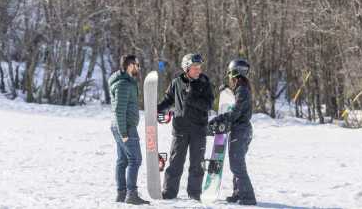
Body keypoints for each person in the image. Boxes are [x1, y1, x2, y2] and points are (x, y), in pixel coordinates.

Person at [157, 53, 214, 201]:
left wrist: (192, 97)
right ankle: (169, 192)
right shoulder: (176, 82)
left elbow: (208, 105)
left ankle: (194, 194)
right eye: (195, 67)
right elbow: (168, 100)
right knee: (175, 163)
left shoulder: (205, 82)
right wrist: (157, 109)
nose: (198, 70)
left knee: (197, 164)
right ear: (186, 68)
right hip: (180, 129)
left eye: (199, 67)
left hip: (198, 130)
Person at [208, 59, 257, 205]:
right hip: (240, 130)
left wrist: (219, 119)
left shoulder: (242, 90)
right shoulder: (241, 88)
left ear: (235, 73)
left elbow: (235, 113)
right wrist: (228, 91)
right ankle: (238, 193)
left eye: (230, 73)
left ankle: (248, 197)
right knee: (236, 164)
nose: (229, 76)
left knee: (237, 165)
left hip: (241, 131)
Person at [109, 55, 150, 205]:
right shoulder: (124, 85)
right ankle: (131, 194)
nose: (139, 68)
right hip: (125, 127)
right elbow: (120, 110)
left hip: (120, 126)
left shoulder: (125, 82)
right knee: (135, 159)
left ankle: (121, 194)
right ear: (130, 65)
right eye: (137, 65)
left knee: (123, 160)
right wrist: (124, 133)